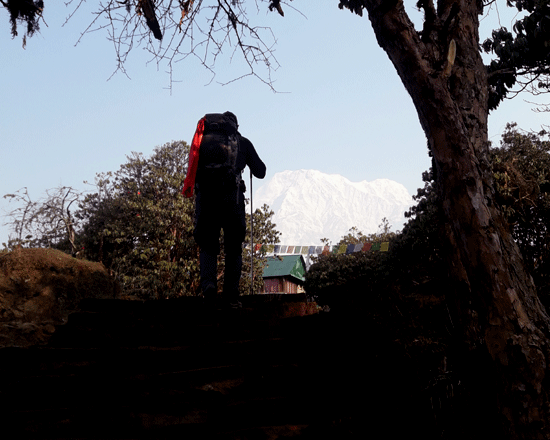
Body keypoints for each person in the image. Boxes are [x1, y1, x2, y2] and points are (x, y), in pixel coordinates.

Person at [182, 112, 266, 308]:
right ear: (235, 126)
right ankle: (231, 296)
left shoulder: (202, 142)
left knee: (208, 246)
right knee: (233, 249)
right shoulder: (242, 142)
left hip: (207, 202)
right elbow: (261, 171)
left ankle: (209, 286)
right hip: (232, 203)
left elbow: (193, 167)